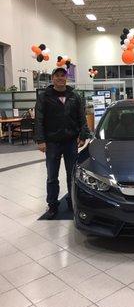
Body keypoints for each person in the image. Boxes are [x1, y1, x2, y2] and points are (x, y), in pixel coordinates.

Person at [35, 67, 90, 219]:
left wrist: (83, 135)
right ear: (52, 78)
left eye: (62, 76)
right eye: (57, 76)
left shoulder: (75, 96)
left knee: (72, 175)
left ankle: (73, 201)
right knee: (52, 176)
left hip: (70, 142)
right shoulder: (44, 96)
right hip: (52, 142)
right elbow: (39, 119)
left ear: (66, 78)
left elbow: (81, 117)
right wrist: (40, 140)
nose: (60, 78)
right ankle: (52, 205)